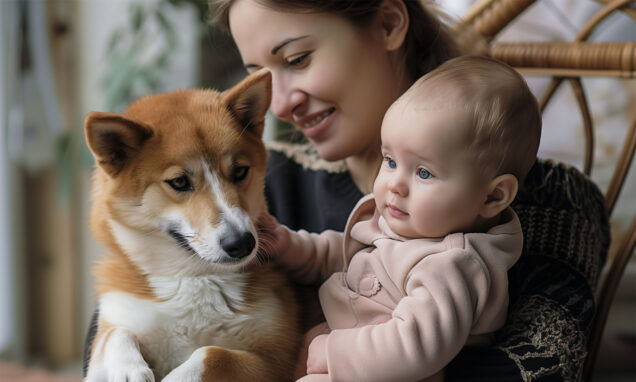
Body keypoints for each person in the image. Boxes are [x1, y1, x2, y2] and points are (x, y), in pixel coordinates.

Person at [83, 1, 609, 380]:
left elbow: (538, 365)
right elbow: (124, 335)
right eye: (257, 73)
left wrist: (325, 357)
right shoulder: (265, 178)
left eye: (296, 59)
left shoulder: (550, 200)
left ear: (387, 23)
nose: (279, 102)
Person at [257, 55, 541, 381]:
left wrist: (332, 352)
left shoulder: (453, 265)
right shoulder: (407, 228)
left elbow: (413, 346)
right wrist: (292, 246)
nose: (395, 183)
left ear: (492, 197)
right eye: (390, 161)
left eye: (423, 172)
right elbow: (343, 256)